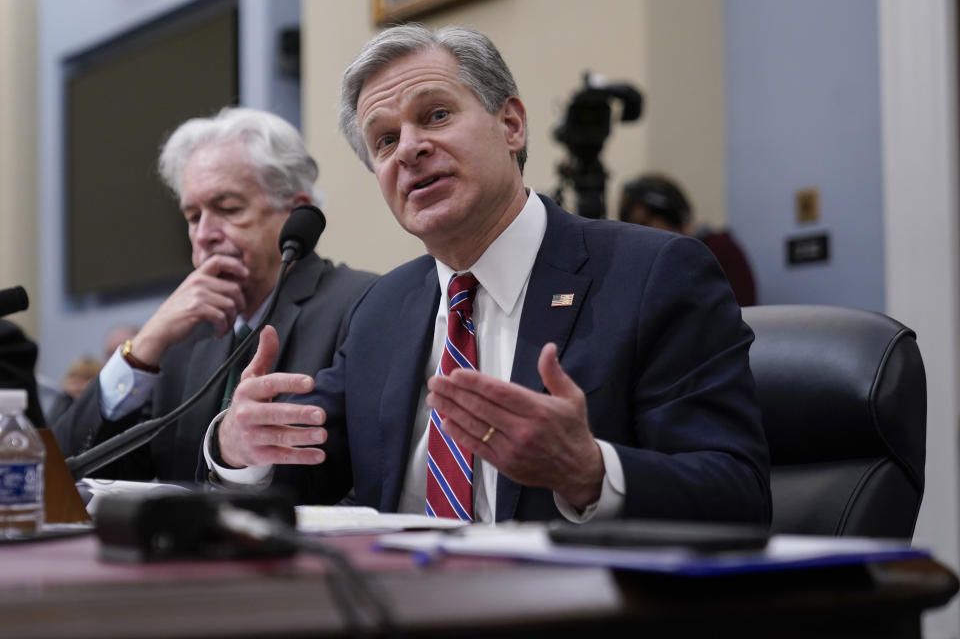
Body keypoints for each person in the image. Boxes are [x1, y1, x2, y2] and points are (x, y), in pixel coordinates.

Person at [208, 26, 770, 524]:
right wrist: (239, 446)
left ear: (512, 125)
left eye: (436, 115)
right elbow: (304, 468)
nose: (409, 149)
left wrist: (590, 472)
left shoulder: (655, 273)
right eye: (384, 140)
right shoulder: (384, 306)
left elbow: (737, 493)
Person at [52, 107, 377, 482]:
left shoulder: (362, 305)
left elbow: (362, 482)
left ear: (295, 212)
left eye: (227, 209)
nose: (204, 233)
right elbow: (62, 476)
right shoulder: (180, 332)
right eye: (193, 216)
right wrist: (142, 348)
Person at [619, 174, 757, 306]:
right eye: (633, 227)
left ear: (677, 219)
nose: (639, 235)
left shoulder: (720, 251)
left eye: (645, 223)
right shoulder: (639, 269)